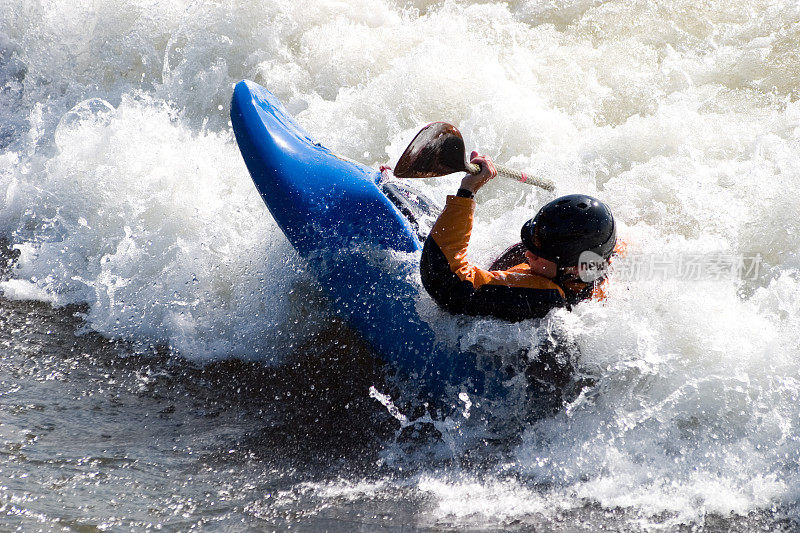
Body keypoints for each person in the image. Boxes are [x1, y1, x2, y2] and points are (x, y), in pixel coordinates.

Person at [420, 152, 617, 323]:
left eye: (540, 254)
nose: (529, 254)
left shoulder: (543, 298)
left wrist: (467, 191)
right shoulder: (594, 266)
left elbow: (446, 282)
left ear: (574, 268)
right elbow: (614, 248)